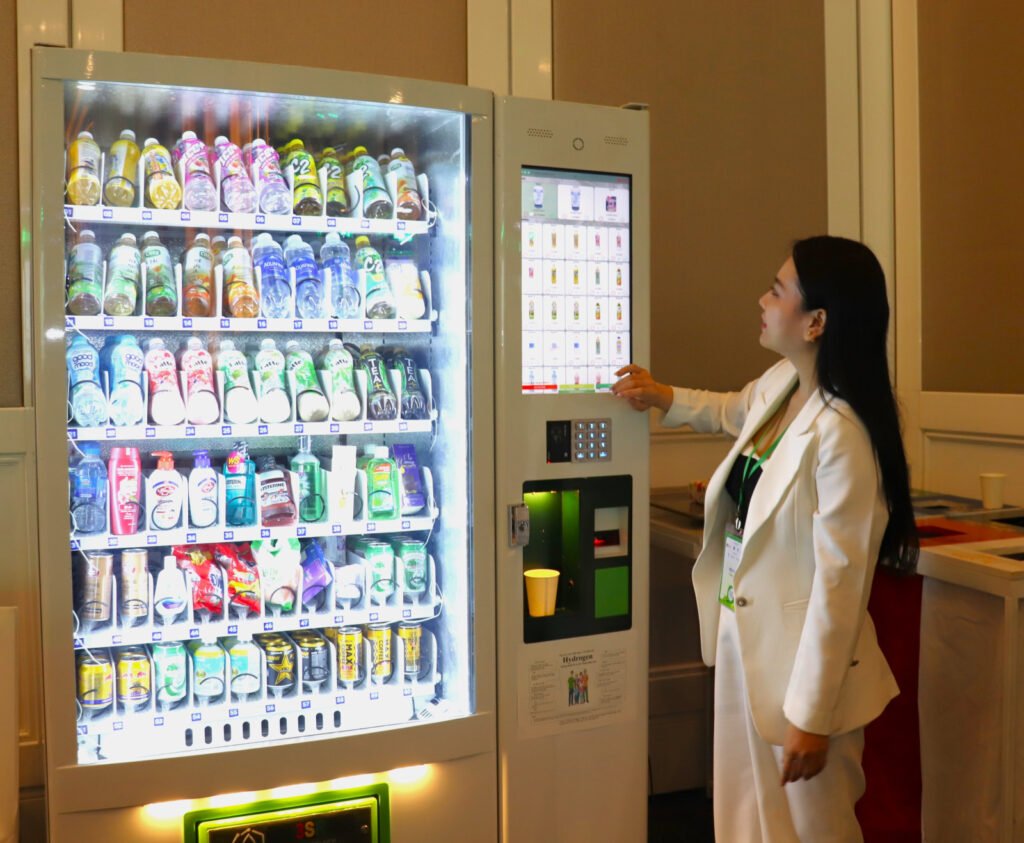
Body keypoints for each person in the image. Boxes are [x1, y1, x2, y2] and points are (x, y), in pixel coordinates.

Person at [612, 235, 918, 842]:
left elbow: (841, 588)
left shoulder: (844, 433)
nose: (762, 300)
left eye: (778, 291)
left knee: (810, 830)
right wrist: (660, 395)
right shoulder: (783, 382)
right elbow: (732, 410)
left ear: (816, 322)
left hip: (800, 669)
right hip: (743, 638)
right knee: (746, 821)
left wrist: (812, 716)